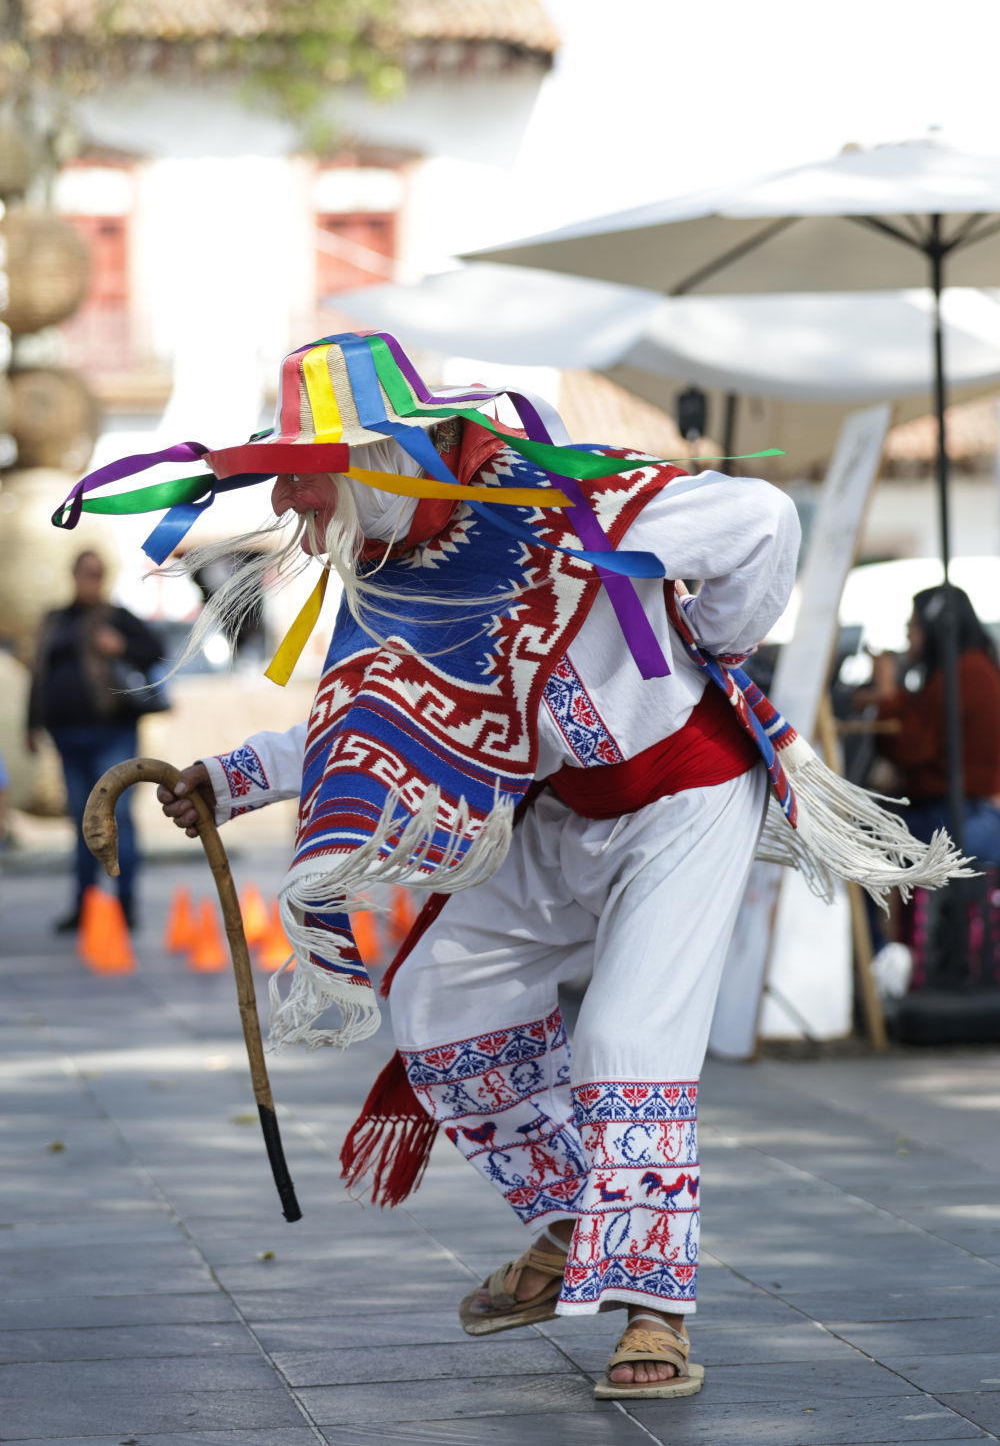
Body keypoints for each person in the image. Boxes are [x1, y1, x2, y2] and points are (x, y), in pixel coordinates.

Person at [54, 333, 961, 1401]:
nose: (291, 504)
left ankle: (654, 1308)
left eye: (305, 477)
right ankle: (578, 1223)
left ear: (381, 458)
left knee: (627, 1037)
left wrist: (712, 638)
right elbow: (361, 718)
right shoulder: (392, 572)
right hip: (552, 812)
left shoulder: (565, 506)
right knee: (441, 996)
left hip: (686, 798)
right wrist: (229, 775)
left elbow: (761, 521)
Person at [27, 549, 164, 929]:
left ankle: (124, 905)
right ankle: (86, 906)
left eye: (98, 573)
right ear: (74, 575)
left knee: (118, 818)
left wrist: (121, 646)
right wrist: (31, 725)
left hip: (112, 734)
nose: (92, 580)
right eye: (87, 573)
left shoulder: (117, 617)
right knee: (82, 822)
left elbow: (156, 650)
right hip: (68, 737)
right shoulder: (56, 620)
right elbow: (39, 674)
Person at [867, 584, 1000, 864]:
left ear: (935, 628)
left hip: (961, 815)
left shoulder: (963, 673)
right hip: (962, 809)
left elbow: (909, 748)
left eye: (914, 624)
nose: (907, 632)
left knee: (864, 843)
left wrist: (887, 691)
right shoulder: (969, 668)